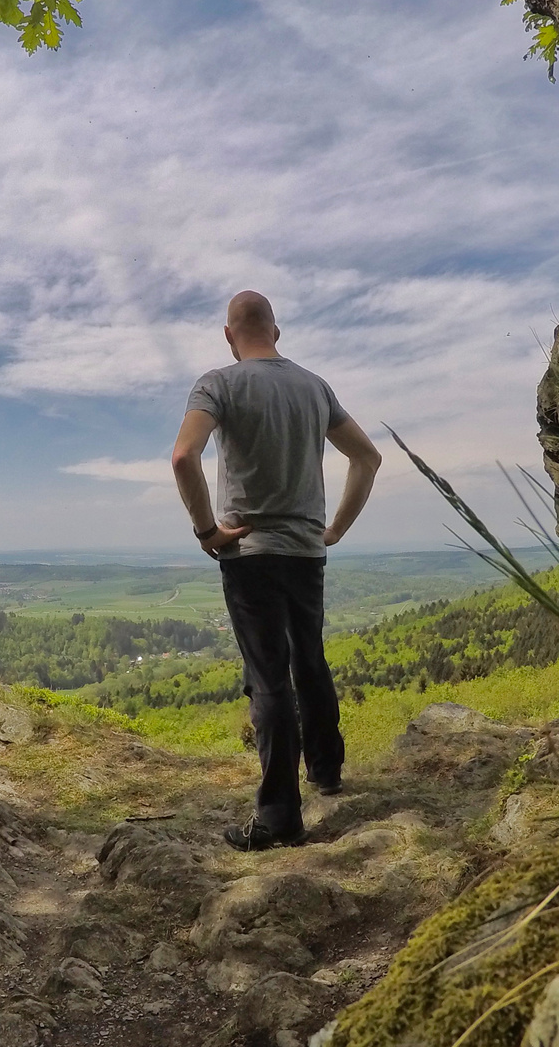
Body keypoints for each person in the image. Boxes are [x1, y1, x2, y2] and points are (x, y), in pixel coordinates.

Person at [171, 290, 381, 851]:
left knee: (269, 679)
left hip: (250, 554)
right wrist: (334, 528)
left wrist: (206, 531)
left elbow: (183, 456)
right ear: (277, 332)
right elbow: (368, 457)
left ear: (227, 334)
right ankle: (328, 771)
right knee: (309, 659)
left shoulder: (218, 384)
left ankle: (279, 818)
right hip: (306, 552)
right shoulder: (314, 387)